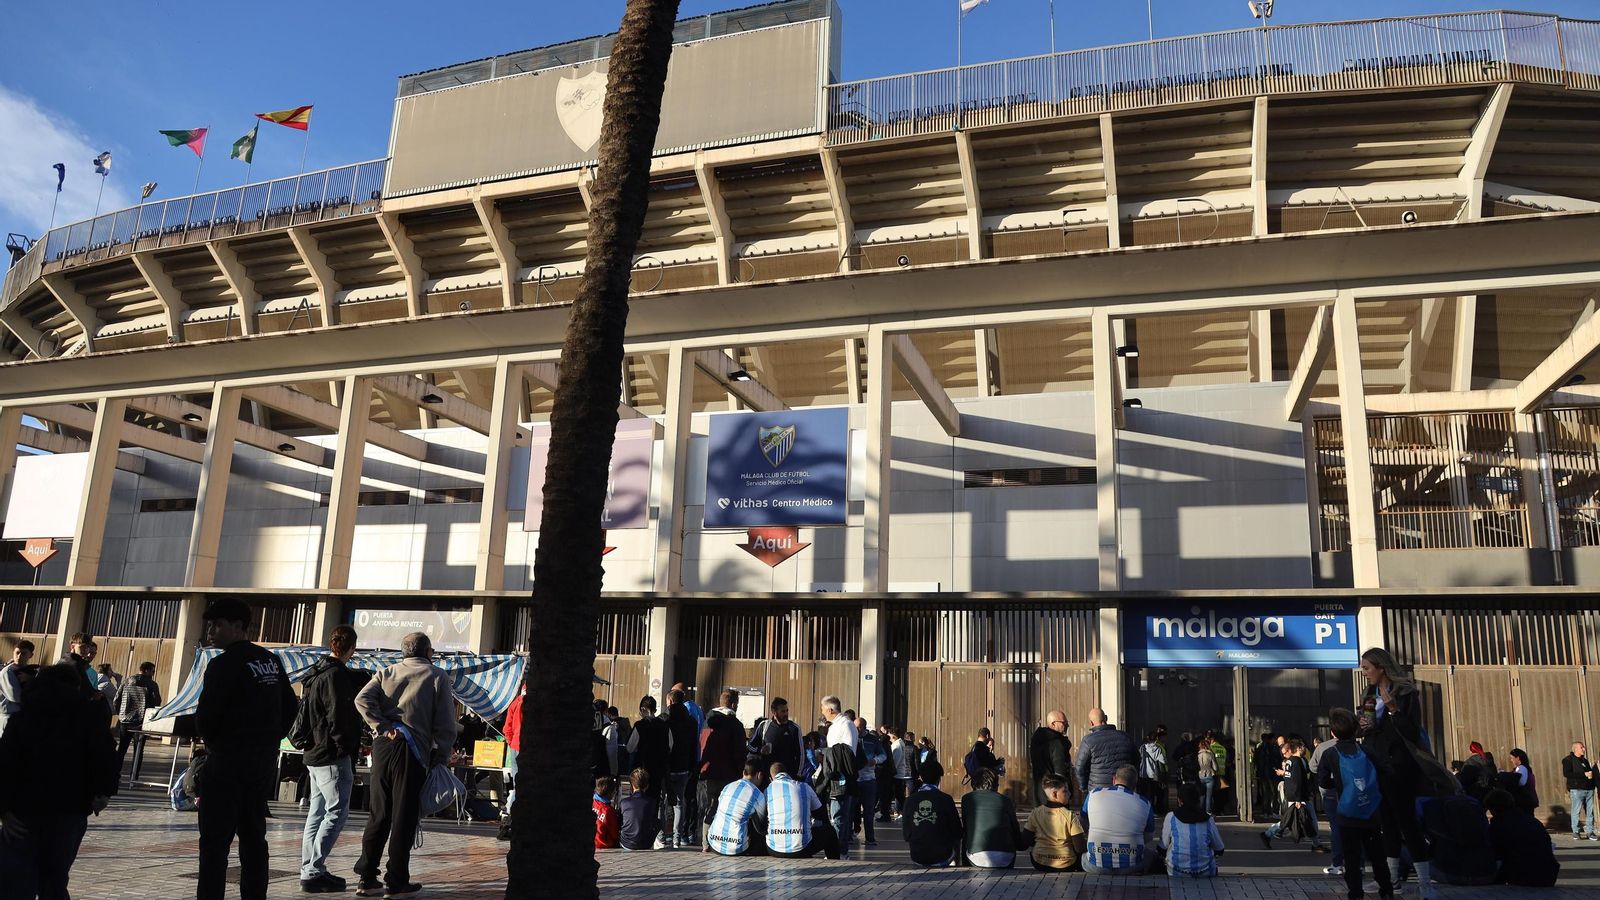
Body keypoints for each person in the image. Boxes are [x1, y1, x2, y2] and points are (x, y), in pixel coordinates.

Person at [193, 598, 298, 900]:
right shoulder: (270, 660)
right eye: (210, 624)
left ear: (238, 627)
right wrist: (270, 739)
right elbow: (290, 706)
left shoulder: (224, 664)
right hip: (261, 762)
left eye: (218, 624)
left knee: (214, 843)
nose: (211, 630)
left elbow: (207, 716)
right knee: (254, 837)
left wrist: (214, 743)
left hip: (227, 761)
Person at [353, 631, 459, 898]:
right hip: (413, 751)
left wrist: (382, 726)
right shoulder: (437, 676)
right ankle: (396, 880)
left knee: (379, 812)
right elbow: (445, 722)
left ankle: (367, 877)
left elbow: (361, 700)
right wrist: (442, 752)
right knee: (404, 815)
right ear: (428, 652)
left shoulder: (385, 672)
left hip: (384, 746)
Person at [0, 662, 117, 899]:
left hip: (23, 813)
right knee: (54, 880)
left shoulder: (23, 719)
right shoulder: (88, 719)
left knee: (16, 881)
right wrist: (102, 794)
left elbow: (5, 764)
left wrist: (3, 809)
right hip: (69, 811)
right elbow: (105, 757)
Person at [1358, 646, 1436, 899]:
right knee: (1387, 824)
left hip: (1401, 766)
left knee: (1407, 823)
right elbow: (1367, 731)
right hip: (1377, 765)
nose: (1364, 673)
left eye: (1367, 668)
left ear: (1381, 667)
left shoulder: (1406, 693)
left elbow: (1412, 732)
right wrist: (1362, 725)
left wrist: (1393, 709)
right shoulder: (1369, 693)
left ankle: (1425, 883)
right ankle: (1391, 880)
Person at [297, 625, 368, 894]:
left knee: (317, 812)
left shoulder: (316, 672)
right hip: (331, 755)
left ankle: (310, 867)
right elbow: (339, 717)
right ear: (352, 647)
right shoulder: (337, 675)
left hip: (314, 754)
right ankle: (314, 869)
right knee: (337, 811)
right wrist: (346, 749)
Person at [1317, 708, 1394, 900]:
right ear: (1355, 730)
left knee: (1351, 858)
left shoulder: (1329, 754)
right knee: (1378, 856)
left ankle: (1356, 893)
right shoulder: (1366, 750)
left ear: (1333, 732)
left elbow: (1323, 781)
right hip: (1371, 811)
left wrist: (1339, 783)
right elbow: (1386, 771)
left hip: (1347, 812)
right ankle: (1386, 890)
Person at [1081, 764, 1155, 875]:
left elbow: (1082, 821)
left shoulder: (1093, 794)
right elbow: (1149, 837)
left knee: (1083, 856)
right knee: (1150, 854)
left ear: (1114, 779)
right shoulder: (1145, 803)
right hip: (1132, 866)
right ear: (1135, 784)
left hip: (1096, 866)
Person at [1261, 737, 1326, 851]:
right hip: (1300, 797)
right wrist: (1298, 799)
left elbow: (1293, 779)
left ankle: (1268, 834)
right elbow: (1296, 781)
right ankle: (1316, 844)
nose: (1304, 749)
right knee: (1305, 820)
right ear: (1297, 748)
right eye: (1302, 747)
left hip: (1298, 795)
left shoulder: (1294, 761)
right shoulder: (1296, 761)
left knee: (1290, 820)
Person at [697, 689, 744, 845]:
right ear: (733, 704)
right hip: (728, 773)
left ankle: (704, 841)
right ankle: (721, 841)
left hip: (706, 772)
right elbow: (739, 752)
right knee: (726, 808)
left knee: (708, 807)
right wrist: (740, 772)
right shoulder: (735, 725)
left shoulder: (706, 721)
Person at [766, 761, 840, 859]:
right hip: (802, 849)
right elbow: (820, 814)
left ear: (771, 779)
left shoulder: (767, 790)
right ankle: (833, 863)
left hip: (774, 850)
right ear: (788, 774)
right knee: (830, 832)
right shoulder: (805, 787)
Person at [1486, 788, 1559, 886]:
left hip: (1523, 875)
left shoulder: (1499, 825)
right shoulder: (1531, 820)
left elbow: (1496, 854)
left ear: (1493, 809)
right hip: (1548, 874)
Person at [625, 695, 672, 847]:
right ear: (655, 709)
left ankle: (638, 832)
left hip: (641, 771)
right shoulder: (665, 726)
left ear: (643, 709)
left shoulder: (640, 725)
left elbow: (630, 747)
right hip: (658, 770)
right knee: (655, 802)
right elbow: (671, 745)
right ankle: (657, 836)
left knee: (638, 802)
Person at [904, 760, 962, 866]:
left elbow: (906, 834)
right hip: (942, 855)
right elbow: (957, 830)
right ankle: (957, 864)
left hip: (917, 855)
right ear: (939, 778)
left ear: (920, 777)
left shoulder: (910, 800)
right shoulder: (946, 799)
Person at [813, 716, 858, 852]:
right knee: (844, 818)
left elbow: (828, 773)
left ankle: (837, 850)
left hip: (836, 788)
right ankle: (842, 849)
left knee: (837, 819)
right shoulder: (852, 749)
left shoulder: (830, 751)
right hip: (849, 785)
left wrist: (820, 788)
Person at [962, 767, 1023, 868]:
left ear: (973, 784)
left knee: (966, 834)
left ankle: (965, 867)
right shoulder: (1006, 801)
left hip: (976, 856)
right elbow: (1015, 829)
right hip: (1006, 857)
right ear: (996, 785)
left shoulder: (967, 799)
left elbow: (967, 829)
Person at [1024, 773, 1087, 872]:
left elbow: (1027, 840)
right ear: (1054, 794)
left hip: (1039, 862)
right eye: (1065, 791)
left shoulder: (1035, 813)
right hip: (1067, 864)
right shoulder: (1070, 815)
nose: (1070, 794)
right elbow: (1080, 847)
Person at [1161, 782, 1225, 878]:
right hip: (1206, 872)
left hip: (1176, 872)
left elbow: (1163, 846)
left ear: (1179, 800)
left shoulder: (1171, 817)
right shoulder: (1208, 819)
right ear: (1198, 800)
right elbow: (1219, 849)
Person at [662, 689, 699, 849]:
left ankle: (663, 836)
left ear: (670, 701)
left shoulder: (665, 720)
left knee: (663, 802)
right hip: (684, 767)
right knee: (679, 803)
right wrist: (692, 766)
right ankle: (677, 838)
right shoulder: (691, 721)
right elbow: (693, 745)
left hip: (668, 766)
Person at [707, 760, 768, 857]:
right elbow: (761, 824)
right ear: (759, 775)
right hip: (737, 847)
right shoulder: (757, 794)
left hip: (714, 843)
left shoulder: (727, 787)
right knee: (755, 818)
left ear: (743, 772)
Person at [112, 660, 162, 775]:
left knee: (122, 748)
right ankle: (134, 775)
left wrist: (121, 713)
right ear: (146, 670)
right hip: (141, 721)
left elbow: (116, 699)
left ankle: (115, 772)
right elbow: (157, 701)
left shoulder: (126, 681)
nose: (153, 674)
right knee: (138, 749)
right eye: (152, 671)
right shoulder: (152, 684)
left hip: (125, 720)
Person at [1310, 726, 1346, 876]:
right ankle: (1359, 864)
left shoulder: (1323, 748)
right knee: (1356, 827)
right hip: (1351, 792)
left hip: (1330, 793)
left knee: (1336, 828)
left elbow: (1313, 768)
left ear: (1332, 732)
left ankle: (1338, 863)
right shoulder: (1358, 747)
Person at [1076, 707, 1137, 792]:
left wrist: (1084, 788)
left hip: (1097, 791)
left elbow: (1080, 768)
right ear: (1106, 718)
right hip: (1123, 789)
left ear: (1091, 722)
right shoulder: (1125, 737)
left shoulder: (1088, 740)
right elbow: (1137, 760)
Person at [497, 681, 525, 841]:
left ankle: (507, 815)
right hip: (527, 748)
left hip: (515, 746)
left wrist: (511, 741)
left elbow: (506, 728)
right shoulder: (532, 704)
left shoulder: (515, 703)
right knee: (523, 785)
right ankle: (510, 817)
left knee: (516, 784)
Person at [749, 696, 802, 781]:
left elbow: (801, 754)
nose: (786, 714)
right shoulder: (764, 726)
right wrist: (760, 750)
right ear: (774, 712)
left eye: (787, 711)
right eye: (783, 711)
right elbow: (750, 746)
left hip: (787, 777)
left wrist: (797, 774)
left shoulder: (794, 728)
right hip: (766, 776)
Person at [1030, 710, 1073, 807]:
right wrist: (1067, 792)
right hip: (1055, 796)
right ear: (1053, 724)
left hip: (1040, 793)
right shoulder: (1057, 743)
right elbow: (1060, 772)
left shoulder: (1036, 740)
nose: (1067, 725)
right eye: (1064, 722)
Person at [855, 718, 886, 846]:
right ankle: (853, 832)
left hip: (869, 780)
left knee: (868, 810)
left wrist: (875, 760)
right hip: (855, 779)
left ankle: (870, 838)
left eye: (857, 728)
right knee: (853, 809)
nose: (856, 730)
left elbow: (883, 755)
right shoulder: (851, 739)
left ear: (862, 728)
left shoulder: (873, 740)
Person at [619, 768, 662, 851]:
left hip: (627, 842)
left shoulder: (624, 802)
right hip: (646, 843)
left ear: (632, 785)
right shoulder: (651, 802)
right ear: (647, 786)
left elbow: (619, 821)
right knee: (658, 822)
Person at [0, 640, 34, 738]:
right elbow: (17, 697)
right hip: (8, 717)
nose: (19, 656)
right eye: (17, 653)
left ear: (30, 655)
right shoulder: (7, 672)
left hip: (21, 718)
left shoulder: (30, 672)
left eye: (23, 653)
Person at [1563, 741, 1596, 841]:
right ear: (1575, 749)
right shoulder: (1568, 760)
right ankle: (1576, 831)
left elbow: (1588, 772)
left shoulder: (1585, 760)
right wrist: (1584, 774)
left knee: (1590, 812)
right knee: (1576, 811)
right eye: (1581, 747)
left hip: (1589, 789)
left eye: (1584, 747)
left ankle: (1590, 832)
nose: (1583, 749)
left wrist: (1591, 777)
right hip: (1577, 789)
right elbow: (1567, 774)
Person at [1138, 727, 1168, 814]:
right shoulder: (1158, 748)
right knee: (1152, 794)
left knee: (1143, 793)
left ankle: (1143, 810)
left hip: (1143, 773)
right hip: (1153, 774)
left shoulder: (1142, 747)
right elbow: (1163, 760)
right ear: (1156, 739)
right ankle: (1151, 811)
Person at [1254, 732, 1281, 821]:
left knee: (1266, 793)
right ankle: (1274, 811)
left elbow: (1256, 761)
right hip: (1272, 773)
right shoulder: (1274, 748)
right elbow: (1277, 760)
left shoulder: (1259, 748)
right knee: (1274, 793)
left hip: (1263, 774)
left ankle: (1266, 811)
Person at [1508, 748, 1539, 815]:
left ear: (1518, 758)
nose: (1511, 760)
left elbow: (1521, 782)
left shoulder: (1521, 768)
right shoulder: (1522, 768)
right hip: (1526, 800)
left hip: (1524, 800)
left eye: (1512, 758)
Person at [593, 776, 620, 849]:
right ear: (610, 794)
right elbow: (614, 833)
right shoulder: (608, 810)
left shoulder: (592, 803)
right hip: (603, 843)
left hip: (592, 842)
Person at [1197, 738, 1218, 815]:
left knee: (1202, 795)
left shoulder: (1198, 755)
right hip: (1209, 774)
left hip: (1201, 775)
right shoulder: (1210, 754)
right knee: (1209, 795)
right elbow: (1215, 767)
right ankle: (1208, 811)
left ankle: (1200, 810)